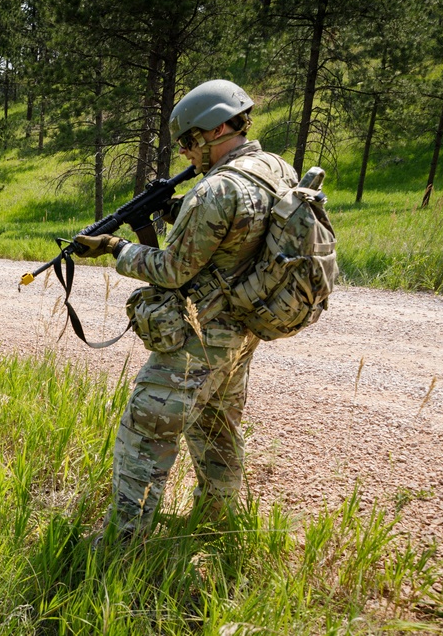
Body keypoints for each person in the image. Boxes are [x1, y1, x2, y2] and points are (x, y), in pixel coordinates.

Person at [74, 79, 298, 539]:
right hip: (245, 324)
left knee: (146, 429)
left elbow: (172, 270)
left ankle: (121, 542)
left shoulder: (216, 190)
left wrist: (114, 248)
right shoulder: (275, 169)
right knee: (216, 428)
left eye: (188, 144)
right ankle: (217, 525)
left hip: (203, 334)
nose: (188, 156)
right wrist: (181, 212)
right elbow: (244, 232)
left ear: (208, 133)